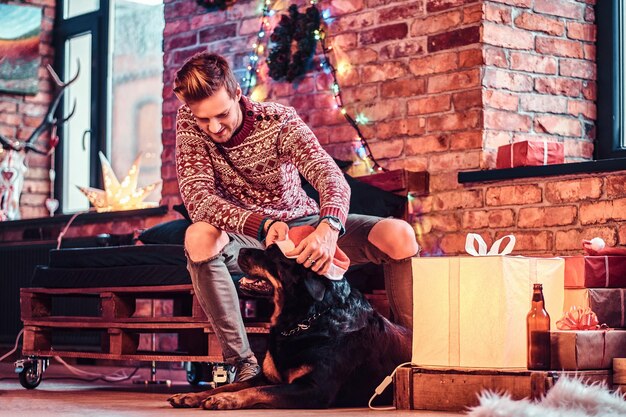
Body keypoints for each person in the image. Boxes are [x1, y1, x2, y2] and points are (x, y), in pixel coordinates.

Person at [173, 52, 419, 382]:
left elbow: (330, 176)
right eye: (204, 120)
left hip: (304, 226)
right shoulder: (189, 123)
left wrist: (328, 228)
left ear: (236, 94)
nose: (214, 127)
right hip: (250, 238)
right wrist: (262, 225)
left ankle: (417, 355)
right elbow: (199, 199)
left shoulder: (279, 121)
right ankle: (244, 364)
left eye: (221, 115)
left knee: (399, 234)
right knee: (198, 236)